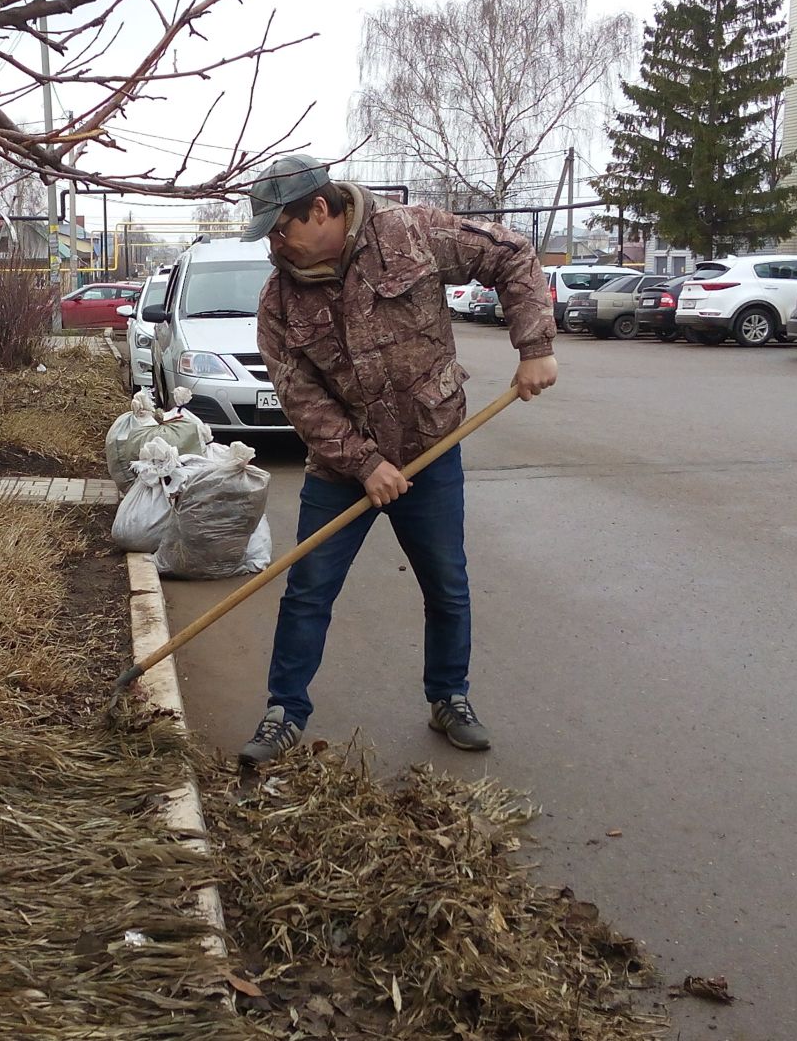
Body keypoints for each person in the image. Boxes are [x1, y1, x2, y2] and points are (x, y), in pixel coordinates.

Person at [236, 154, 557, 767]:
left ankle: (450, 698)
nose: (276, 242)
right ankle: (284, 711)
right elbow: (299, 396)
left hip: (430, 451)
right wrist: (363, 464)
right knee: (308, 590)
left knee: (447, 585)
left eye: (282, 227)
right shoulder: (278, 299)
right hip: (340, 470)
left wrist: (534, 346)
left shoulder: (410, 232)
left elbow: (511, 253)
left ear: (322, 209)